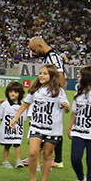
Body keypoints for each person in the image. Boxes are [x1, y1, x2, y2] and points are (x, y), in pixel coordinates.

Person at [10, 64, 70, 181]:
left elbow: (67, 109)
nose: (41, 76)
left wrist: (65, 106)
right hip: (36, 126)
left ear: (52, 76)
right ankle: (32, 179)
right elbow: (25, 104)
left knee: (47, 155)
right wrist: (15, 118)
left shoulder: (59, 91)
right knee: (32, 152)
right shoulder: (35, 90)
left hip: (53, 128)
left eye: (45, 73)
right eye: (40, 73)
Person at [29, 36, 67, 168]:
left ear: (40, 46)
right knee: (50, 123)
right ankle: (54, 158)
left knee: (54, 124)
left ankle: (57, 159)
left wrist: (61, 95)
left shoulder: (53, 57)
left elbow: (60, 76)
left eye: (34, 50)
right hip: (51, 94)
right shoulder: (48, 57)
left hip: (54, 95)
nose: (34, 54)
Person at [0, 81, 26, 169]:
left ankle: (18, 160)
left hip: (18, 129)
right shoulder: (5, 104)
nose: (13, 94)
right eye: (11, 92)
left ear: (20, 94)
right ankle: (5, 161)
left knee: (17, 144)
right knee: (7, 145)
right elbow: (0, 117)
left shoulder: (22, 105)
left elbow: (23, 119)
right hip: (7, 129)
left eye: (15, 92)